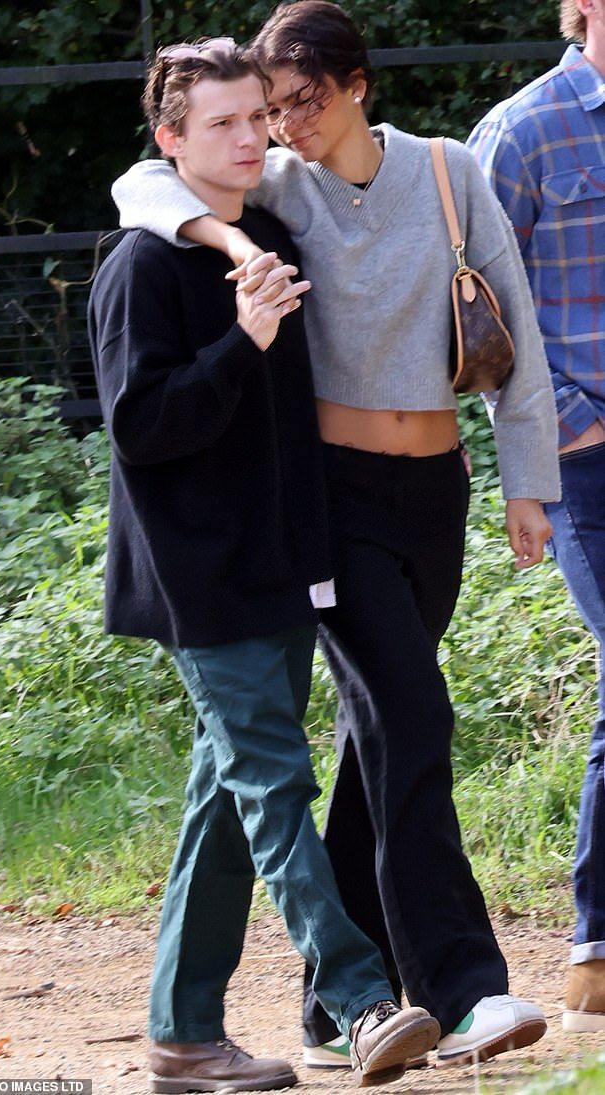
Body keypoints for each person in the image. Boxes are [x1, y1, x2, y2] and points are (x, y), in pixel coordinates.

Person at [112, 0, 560, 1068]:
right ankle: (459, 992)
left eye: (301, 102)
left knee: (376, 739)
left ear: (359, 85)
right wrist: (221, 232)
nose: (281, 126)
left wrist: (522, 482)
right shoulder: (272, 191)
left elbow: (517, 328)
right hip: (333, 500)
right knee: (412, 714)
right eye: (267, 109)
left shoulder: (449, 171)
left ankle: (319, 1010)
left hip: (435, 490)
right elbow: (140, 182)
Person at [88, 38, 441, 1094]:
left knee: (225, 801)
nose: (249, 139)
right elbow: (141, 428)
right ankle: (363, 996)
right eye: (221, 125)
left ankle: (184, 1036)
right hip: (203, 584)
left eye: (256, 119)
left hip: (286, 570)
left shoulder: (272, 231)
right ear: (170, 142)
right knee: (278, 786)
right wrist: (240, 341)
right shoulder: (143, 265)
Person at [468, 0, 605, 1036]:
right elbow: (467, 302)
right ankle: (594, 948)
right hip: (588, 462)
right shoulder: (521, 132)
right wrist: (559, 430)